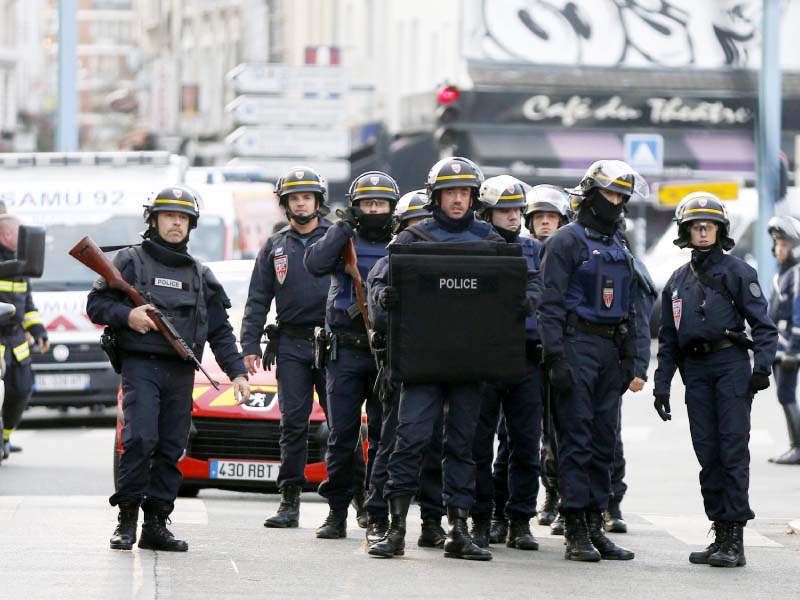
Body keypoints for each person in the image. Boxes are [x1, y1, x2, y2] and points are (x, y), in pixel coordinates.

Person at [86, 186, 250, 552]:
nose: (176, 223)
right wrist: (127, 315)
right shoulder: (129, 262)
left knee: (171, 447)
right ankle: (127, 519)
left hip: (180, 371)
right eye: (169, 216)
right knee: (140, 439)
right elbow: (96, 305)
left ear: (190, 225)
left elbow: (220, 331)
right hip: (140, 365)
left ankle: (156, 525)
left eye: (183, 218)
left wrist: (237, 372)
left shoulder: (199, 274)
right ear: (154, 220)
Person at [368, 156, 506, 561]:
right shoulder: (411, 241)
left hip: (469, 362)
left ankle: (458, 531)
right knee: (409, 441)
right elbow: (380, 293)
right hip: (421, 361)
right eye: (451, 193)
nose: (458, 200)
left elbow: (518, 294)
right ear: (436, 197)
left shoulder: (493, 242)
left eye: (465, 192)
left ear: (474, 196)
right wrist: (384, 299)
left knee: (462, 447)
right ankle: (395, 531)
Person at [653, 192, 777, 568]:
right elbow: (669, 338)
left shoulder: (738, 272)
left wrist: (761, 368)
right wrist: (661, 385)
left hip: (730, 365)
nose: (702, 231)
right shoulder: (676, 281)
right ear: (686, 232)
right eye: (695, 226)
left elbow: (764, 327)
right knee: (707, 454)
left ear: (720, 230)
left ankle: (735, 539)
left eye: (708, 225)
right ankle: (719, 531)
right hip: (696, 372)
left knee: (732, 452)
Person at [538, 160, 645, 562]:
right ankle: (576, 529)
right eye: (610, 194)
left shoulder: (619, 244)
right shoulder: (566, 241)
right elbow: (548, 305)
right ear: (590, 193)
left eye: (621, 196)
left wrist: (631, 356)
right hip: (574, 344)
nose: (615, 202)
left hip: (608, 350)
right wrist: (555, 358)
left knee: (604, 443)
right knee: (577, 442)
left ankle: (597, 526)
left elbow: (631, 305)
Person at [304, 171, 399, 539]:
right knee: (341, 435)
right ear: (355, 207)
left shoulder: (401, 240)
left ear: (391, 207)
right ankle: (338, 510)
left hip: (384, 353)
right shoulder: (343, 237)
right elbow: (313, 264)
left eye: (380, 204)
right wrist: (340, 231)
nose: (373, 210)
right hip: (344, 350)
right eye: (366, 204)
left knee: (382, 436)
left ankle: (377, 512)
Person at [240, 167, 333, 528]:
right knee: (293, 422)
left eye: (307, 197)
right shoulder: (275, 245)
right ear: (285, 204)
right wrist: (248, 343)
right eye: (294, 198)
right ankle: (289, 500)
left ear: (318, 201)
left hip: (333, 343)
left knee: (343, 425)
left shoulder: (338, 239)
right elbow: (257, 298)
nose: (301, 203)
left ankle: (352, 496)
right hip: (291, 343)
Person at [364, 189, 445, 550]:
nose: (420, 231)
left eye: (424, 223)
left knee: (439, 447)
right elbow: (376, 307)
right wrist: (385, 302)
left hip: (442, 365)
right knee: (396, 444)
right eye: (413, 225)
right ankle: (381, 518)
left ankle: (432, 522)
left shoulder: (448, 254)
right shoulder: (390, 260)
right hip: (403, 366)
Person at [469, 175, 543, 552]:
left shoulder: (535, 250)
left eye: (517, 210)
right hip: (485, 357)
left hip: (527, 358)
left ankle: (520, 519)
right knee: (479, 444)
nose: (513, 217)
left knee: (526, 444)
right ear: (487, 212)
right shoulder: (474, 246)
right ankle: (483, 518)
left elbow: (546, 294)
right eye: (505, 210)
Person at [0, 214, 49, 459]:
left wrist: (39, 331)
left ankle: (5, 437)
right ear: (6, 235)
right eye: (20, 234)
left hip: (17, 340)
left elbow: (28, 304)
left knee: (20, 391)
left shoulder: (22, 264)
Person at [766, 216, 800, 465]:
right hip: (779, 347)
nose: (780, 249)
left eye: (785, 244)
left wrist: (794, 351)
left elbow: (798, 315)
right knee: (784, 394)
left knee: (786, 394)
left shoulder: (796, 274)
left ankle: (798, 447)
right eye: (777, 243)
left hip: (790, 348)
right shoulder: (783, 274)